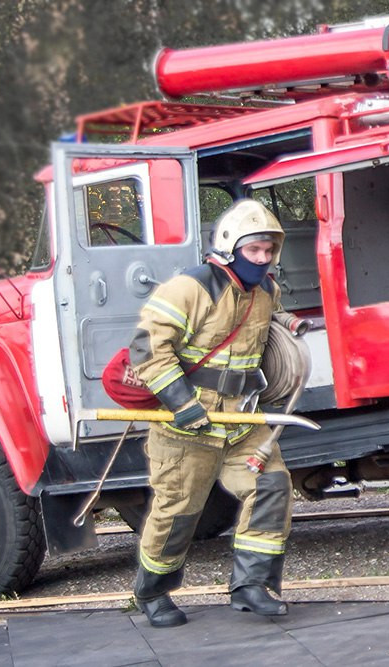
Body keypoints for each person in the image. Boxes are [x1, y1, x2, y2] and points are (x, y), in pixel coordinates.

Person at [128, 199, 294, 627]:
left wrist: (289, 323)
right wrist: (182, 405)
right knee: (179, 512)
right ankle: (152, 592)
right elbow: (148, 349)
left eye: (268, 250)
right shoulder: (188, 289)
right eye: (253, 249)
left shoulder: (266, 292)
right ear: (229, 247)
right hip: (187, 429)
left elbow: (264, 325)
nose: (262, 258)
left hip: (240, 424)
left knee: (272, 486)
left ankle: (251, 586)